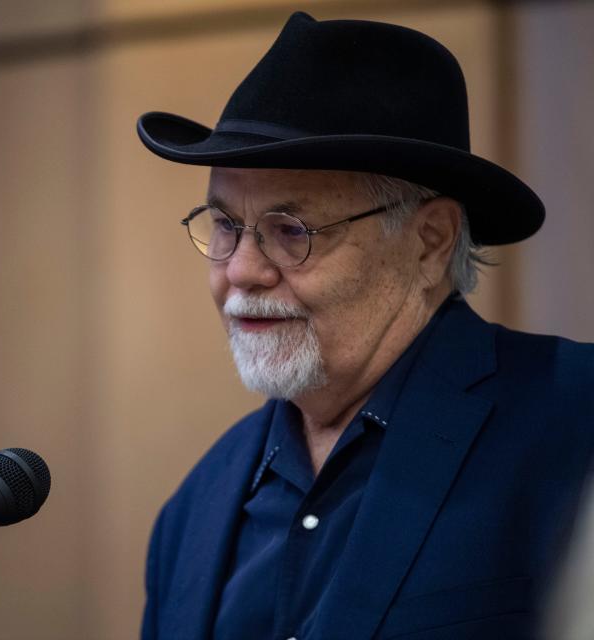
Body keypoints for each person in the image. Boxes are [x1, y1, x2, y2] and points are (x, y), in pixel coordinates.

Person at [136, 11, 594, 640]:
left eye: (290, 230)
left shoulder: (572, 419)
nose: (241, 271)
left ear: (430, 242)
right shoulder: (192, 512)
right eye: (224, 226)